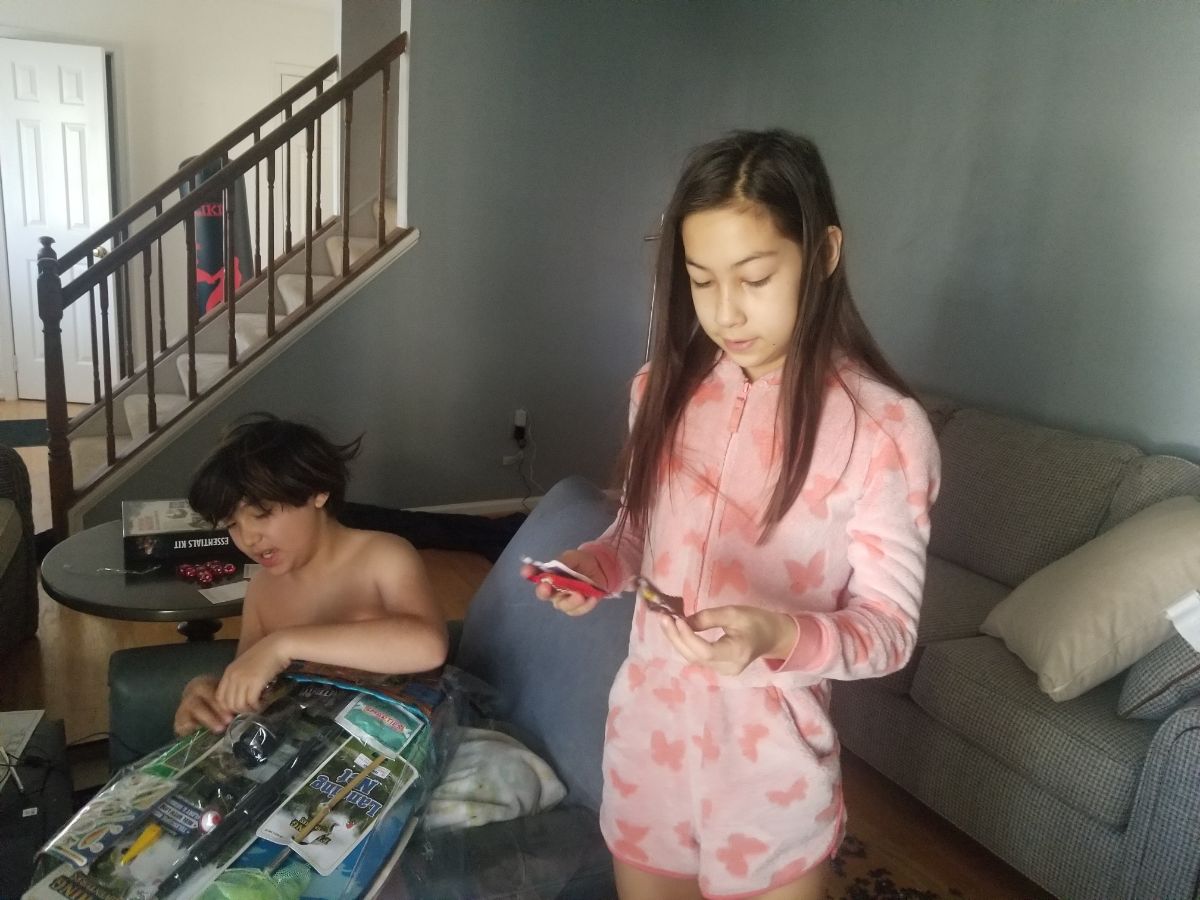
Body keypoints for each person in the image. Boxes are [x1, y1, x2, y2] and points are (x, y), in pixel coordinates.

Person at [524, 130, 940, 900]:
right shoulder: (661, 390)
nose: (726, 312)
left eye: (754, 278)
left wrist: (777, 636)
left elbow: (888, 632)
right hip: (647, 747)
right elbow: (638, 536)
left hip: (769, 775)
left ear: (823, 254)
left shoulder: (884, 432)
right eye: (701, 281)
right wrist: (595, 566)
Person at [173, 415, 448, 736]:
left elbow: (428, 646)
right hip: (310, 744)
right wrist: (206, 692)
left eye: (261, 514)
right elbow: (252, 686)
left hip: (398, 739)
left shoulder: (383, 555)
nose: (248, 538)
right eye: (231, 524)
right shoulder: (262, 589)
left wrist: (283, 644)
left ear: (318, 492)